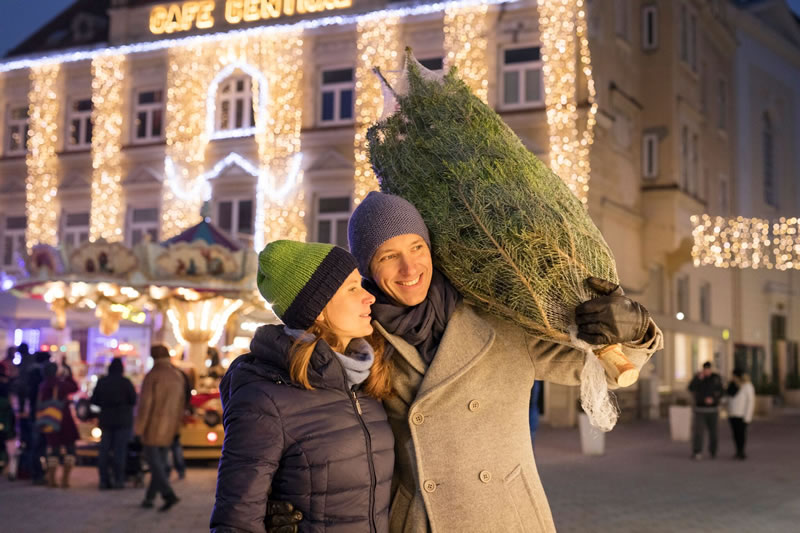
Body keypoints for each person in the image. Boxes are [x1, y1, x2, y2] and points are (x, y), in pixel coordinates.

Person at [331, 191, 659, 532]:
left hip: (506, 515)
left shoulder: (499, 318)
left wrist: (635, 329)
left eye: (417, 247)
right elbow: (326, 434)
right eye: (388, 256)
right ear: (368, 266)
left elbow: (599, 369)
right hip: (418, 521)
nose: (409, 268)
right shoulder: (363, 339)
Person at [210, 241, 395, 533]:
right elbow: (236, 519)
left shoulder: (366, 381)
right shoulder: (265, 398)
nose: (368, 297)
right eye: (352, 288)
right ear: (318, 310)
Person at [135, 345, 186, 511]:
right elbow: (181, 405)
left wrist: (138, 429)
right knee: (160, 463)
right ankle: (149, 498)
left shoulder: (153, 376)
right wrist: (177, 428)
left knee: (155, 464)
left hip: (153, 426)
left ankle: (167, 494)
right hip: (171, 427)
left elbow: (145, 405)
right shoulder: (177, 376)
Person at [91, 357, 137, 489]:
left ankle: (103, 480)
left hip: (106, 419)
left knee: (104, 451)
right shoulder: (126, 383)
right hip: (122, 421)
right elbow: (133, 400)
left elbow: (94, 401)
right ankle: (119, 480)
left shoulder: (102, 382)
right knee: (120, 451)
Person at [38, 360, 80, 488]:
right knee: (70, 449)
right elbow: (74, 387)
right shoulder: (60, 384)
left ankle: (52, 479)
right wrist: (68, 374)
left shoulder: (43, 385)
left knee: (54, 449)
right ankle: (65, 480)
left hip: (49, 421)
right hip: (64, 420)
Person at [689, 361, 724, 460]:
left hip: (713, 410)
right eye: (705, 370)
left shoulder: (716, 378)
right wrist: (698, 379)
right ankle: (697, 451)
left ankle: (713, 451)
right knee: (698, 432)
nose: (706, 372)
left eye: (708, 370)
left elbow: (721, 391)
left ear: (710, 369)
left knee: (714, 432)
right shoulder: (698, 377)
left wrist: (714, 399)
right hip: (700, 409)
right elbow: (691, 388)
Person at [726, 368, 755, 460]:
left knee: (741, 434)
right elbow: (728, 398)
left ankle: (741, 451)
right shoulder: (731, 385)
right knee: (735, 434)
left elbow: (750, 402)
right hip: (732, 414)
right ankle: (737, 451)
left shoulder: (747, 386)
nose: (733, 378)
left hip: (742, 414)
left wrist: (748, 417)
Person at [0, 364, 18, 480]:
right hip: (6, 426)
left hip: (5, 424)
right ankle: (9, 469)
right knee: (8, 447)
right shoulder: (8, 386)